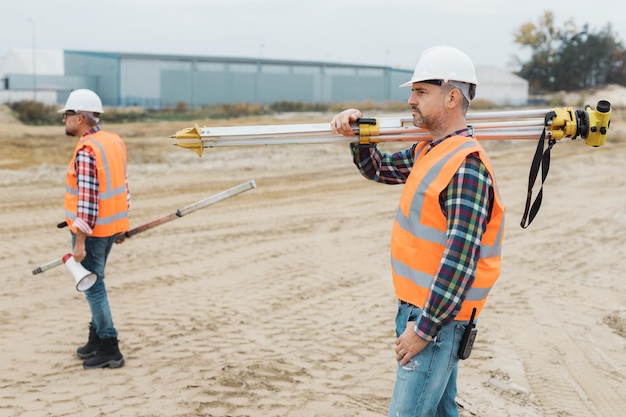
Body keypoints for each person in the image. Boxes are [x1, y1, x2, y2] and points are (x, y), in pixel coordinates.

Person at [331, 45, 505, 416]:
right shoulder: (430, 150)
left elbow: (460, 261)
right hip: (421, 311)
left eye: (421, 92)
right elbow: (378, 168)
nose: (410, 100)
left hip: (436, 321)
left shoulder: (466, 168)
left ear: (452, 97)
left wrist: (423, 330)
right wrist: (358, 132)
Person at [59, 88, 129, 369]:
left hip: (93, 232)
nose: (64, 120)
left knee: (93, 287)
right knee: (95, 282)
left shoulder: (88, 150)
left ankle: (109, 345)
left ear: (79, 117)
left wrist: (79, 242)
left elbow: (87, 201)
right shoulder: (112, 141)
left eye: (66, 115)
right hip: (110, 228)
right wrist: (121, 226)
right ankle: (97, 338)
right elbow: (123, 185)